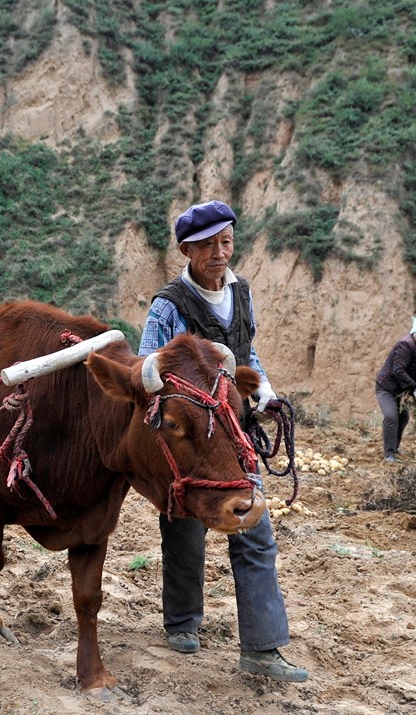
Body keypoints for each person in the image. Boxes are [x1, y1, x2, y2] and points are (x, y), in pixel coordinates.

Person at [138, 199, 308, 682]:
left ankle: (261, 648)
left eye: (226, 241)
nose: (220, 252)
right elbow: (149, 364)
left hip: (234, 430)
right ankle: (182, 621)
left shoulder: (241, 292)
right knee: (186, 527)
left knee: (255, 529)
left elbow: (246, 350)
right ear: (187, 249)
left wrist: (267, 395)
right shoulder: (169, 304)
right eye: (208, 244)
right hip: (191, 436)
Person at [374, 317, 416, 462]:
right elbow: (398, 371)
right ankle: (389, 453)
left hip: (401, 390)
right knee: (391, 416)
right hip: (387, 387)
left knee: (403, 417)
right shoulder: (405, 345)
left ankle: (394, 448)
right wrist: (415, 387)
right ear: (415, 331)